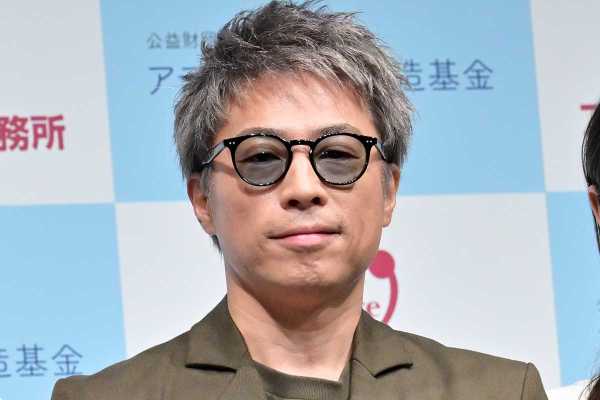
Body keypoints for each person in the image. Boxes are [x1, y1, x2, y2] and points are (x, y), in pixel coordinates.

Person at [51, 1, 548, 399]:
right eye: (261, 157)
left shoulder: (500, 391)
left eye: (337, 154)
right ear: (202, 200)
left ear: (389, 191)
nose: (304, 188)